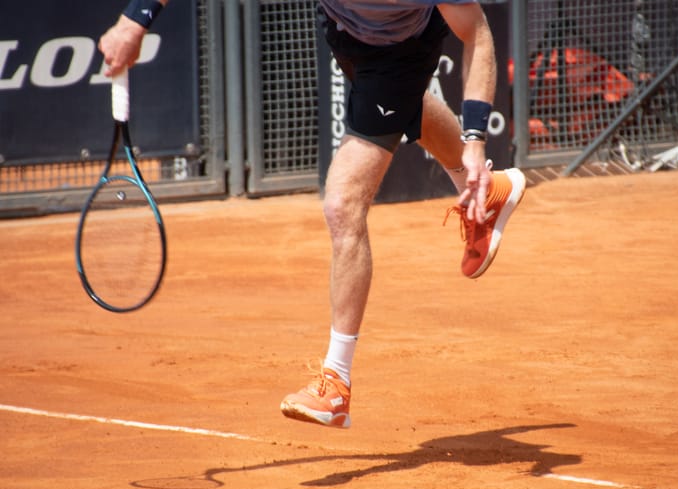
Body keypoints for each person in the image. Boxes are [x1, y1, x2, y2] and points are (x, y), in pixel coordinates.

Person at [99, 0, 526, 430]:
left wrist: (474, 140)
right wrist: (134, 21)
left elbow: (477, 32)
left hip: (403, 46)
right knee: (402, 102)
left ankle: (336, 382)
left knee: (343, 205)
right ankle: (491, 194)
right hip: (346, 33)